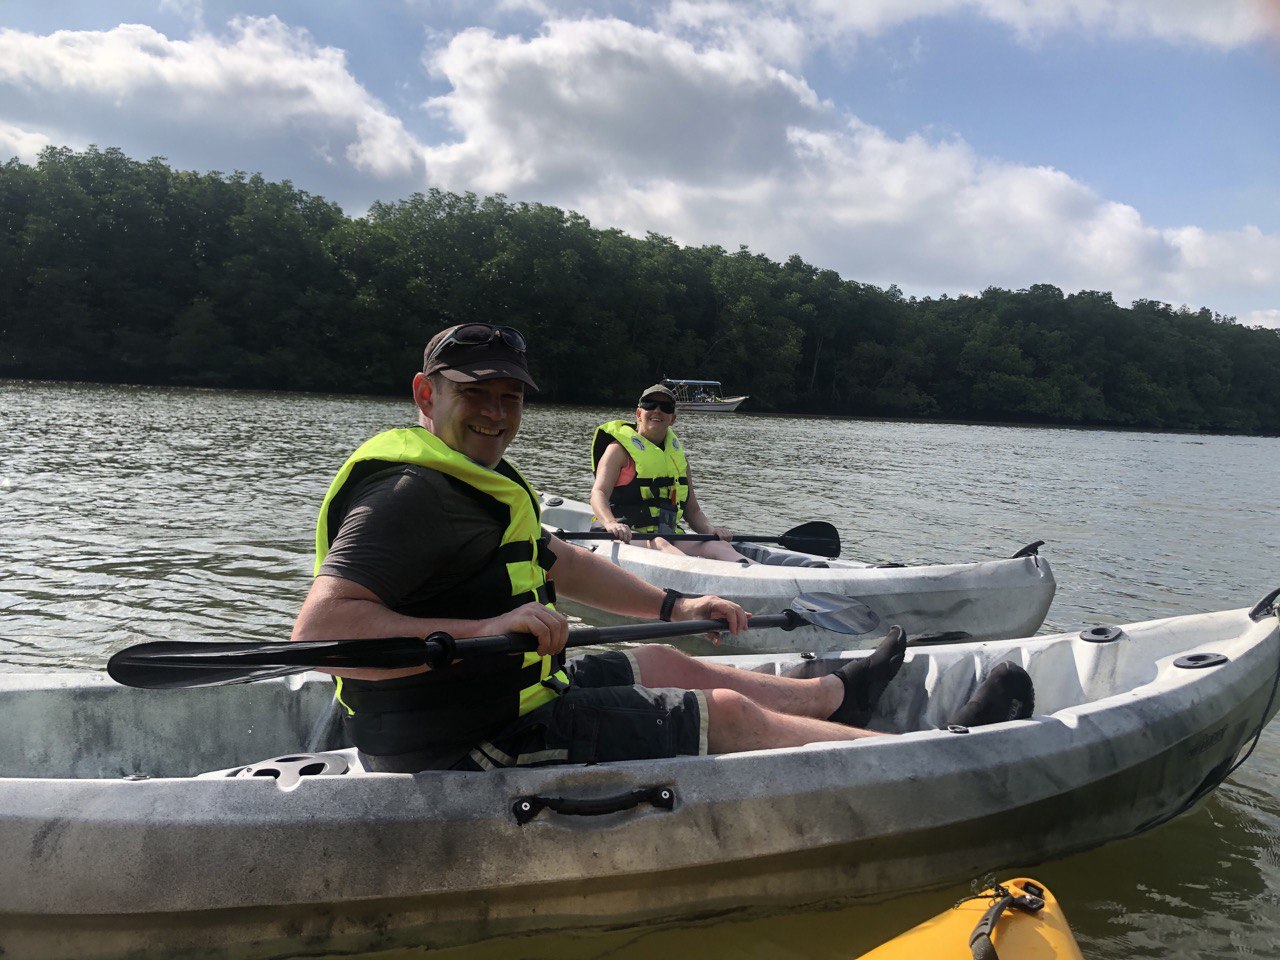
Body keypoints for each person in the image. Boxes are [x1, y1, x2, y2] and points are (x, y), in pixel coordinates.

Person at [291, 322, 1035, 773]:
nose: (495, 412)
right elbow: (320, 633)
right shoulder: (408, 497)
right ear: (427, 395)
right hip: (462, 740)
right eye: (474, 393)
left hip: (507, 696)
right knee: (725, 714)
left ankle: (838, 698)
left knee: (663, 658)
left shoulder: (476, 479)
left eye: (509, 397)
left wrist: (679, 600)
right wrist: (486, 631)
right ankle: (939, 756)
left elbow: (556, 560)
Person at [590, 383, 751, 563]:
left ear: (672, 419)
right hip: (622, 535)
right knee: (660, 544)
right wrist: (611, 523)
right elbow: (599, 493)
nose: (657, 411)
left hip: (666, 534)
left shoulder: (679, 459)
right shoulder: (617, 451)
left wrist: (710, 530)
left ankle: (760, 577)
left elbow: (693, 511)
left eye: (665, 408)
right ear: (638, 414)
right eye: (650, 405)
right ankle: (694, 579)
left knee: (718, 546)